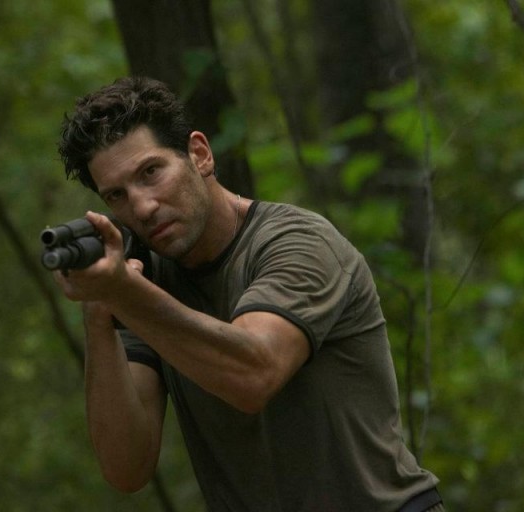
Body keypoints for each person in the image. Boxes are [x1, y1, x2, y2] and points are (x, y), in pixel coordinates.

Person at [54, 76, 443, 512]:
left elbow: (254, 376)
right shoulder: (145, 281)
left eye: (151, 172)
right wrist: (99, 312)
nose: (142, 207)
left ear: (199, 154)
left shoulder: (298, 242)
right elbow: (126, 468)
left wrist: (126, 294)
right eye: (117, 195)